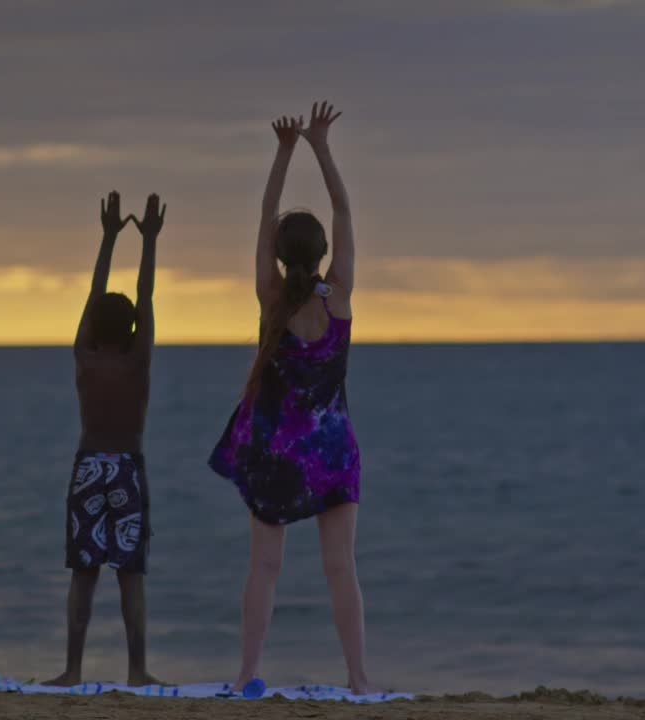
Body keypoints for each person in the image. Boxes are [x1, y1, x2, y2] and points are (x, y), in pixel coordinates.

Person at [208, 102, 371, 695]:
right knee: (340, 571)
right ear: (324, 250)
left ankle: (247, 673)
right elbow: (346, 208)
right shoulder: (340, 297)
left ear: (278, 254)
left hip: (275, 451)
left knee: (264, 569)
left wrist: (283, 152)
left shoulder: (270, 297)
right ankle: (357, 678)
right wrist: (321, 146)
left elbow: (263, 214)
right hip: (331, 449)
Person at [43, 190, 166, 688]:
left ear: (93, 328)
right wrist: (149, 242)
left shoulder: (85, 360)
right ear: (135, 329)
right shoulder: (139, 362)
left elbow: (93, 299)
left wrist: (108, 238)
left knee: (84, 574)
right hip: (127, 469)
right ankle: (137, 670)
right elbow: (147, 296)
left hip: (89, 466)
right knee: (129, 575)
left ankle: (73, 669)